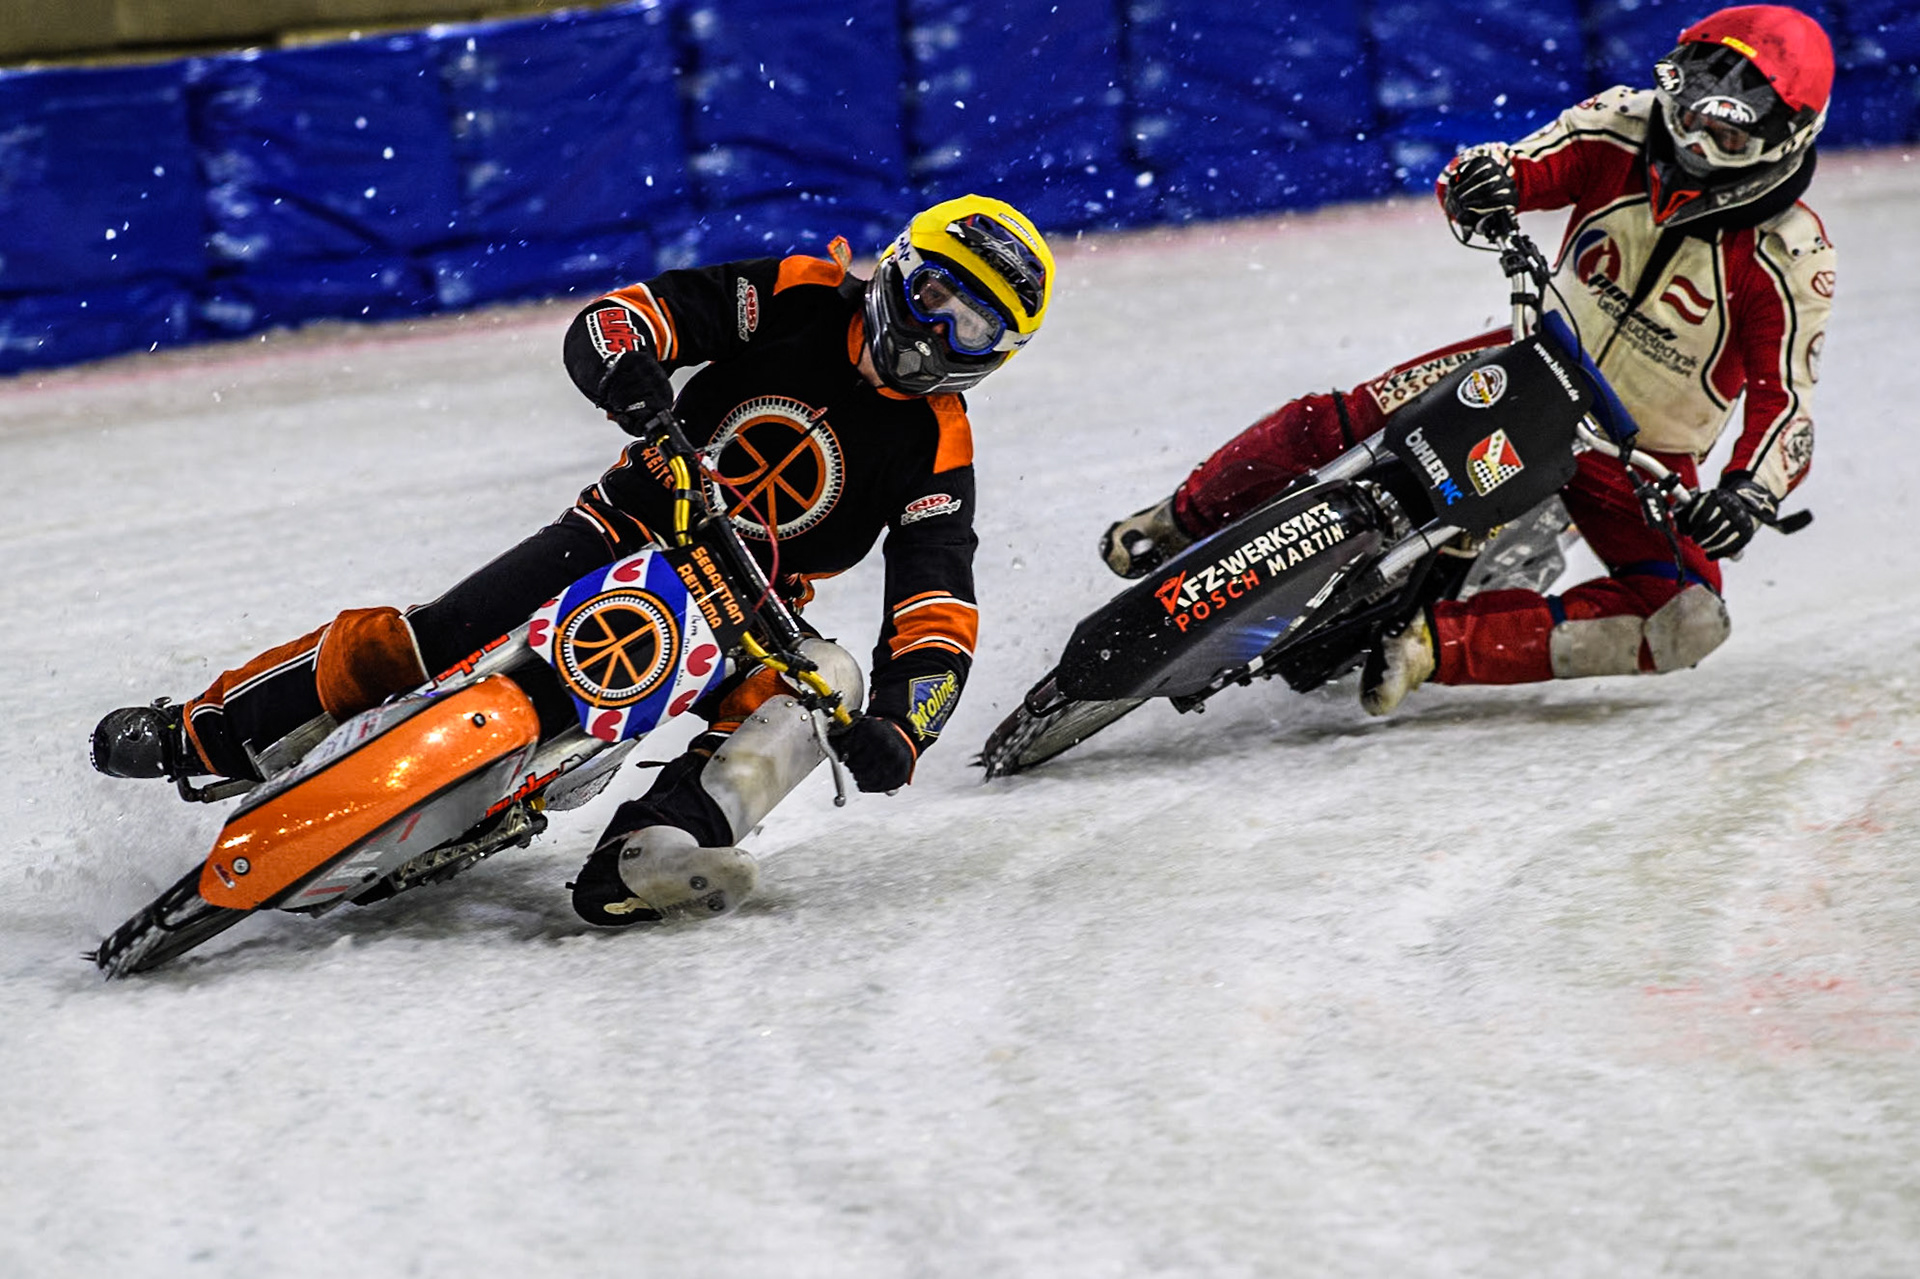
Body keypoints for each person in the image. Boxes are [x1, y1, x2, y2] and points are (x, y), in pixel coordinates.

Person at [89, 193, 1054, 925]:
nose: (937, 334)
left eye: (971, 327)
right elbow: (628, 319)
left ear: (995, 354)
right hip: (634, 515)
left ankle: (654, 846)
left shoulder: (940, 441)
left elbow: (939, 606)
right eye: (935, 296)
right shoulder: (800, 293)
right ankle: (206, 731)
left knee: (822, 683)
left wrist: (904, 723)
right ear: (897, 268)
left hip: (751, 607)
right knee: (426, 640)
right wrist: (636, 383)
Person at [1101, 4, 1835, 715]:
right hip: (1533, 364)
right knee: (1348, 419)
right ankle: (1178, 519)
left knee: (1689, 620)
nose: (1695, 148)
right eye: (1688, 114)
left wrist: (1747, 494)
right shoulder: (1622, 122)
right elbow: (1512, 164)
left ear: (1789, 137)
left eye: (1728, 139)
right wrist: (1484, 186)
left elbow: (1787, 401)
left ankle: (1434, 646)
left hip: (1638, 453)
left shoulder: (1792, 255)